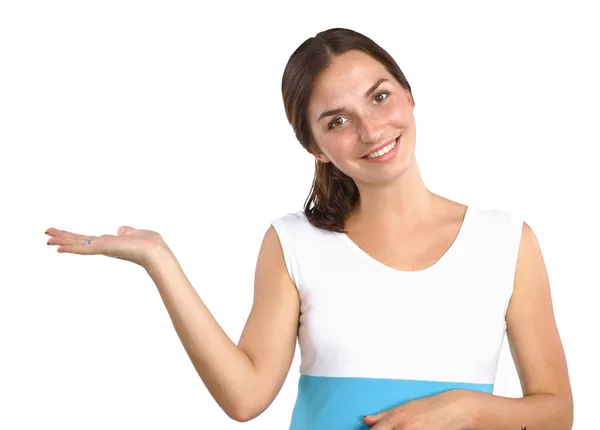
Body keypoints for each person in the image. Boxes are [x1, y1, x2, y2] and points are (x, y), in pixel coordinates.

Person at [45, 28, 573, 430]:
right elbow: (245, 397)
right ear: (315, 147)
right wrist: (159, 258)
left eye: (380, 96)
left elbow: (556, 410)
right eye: (336, 121)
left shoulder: (506, 241)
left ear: (410, 97)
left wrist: (465, 408)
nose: (370, 129)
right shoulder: (294, 243)